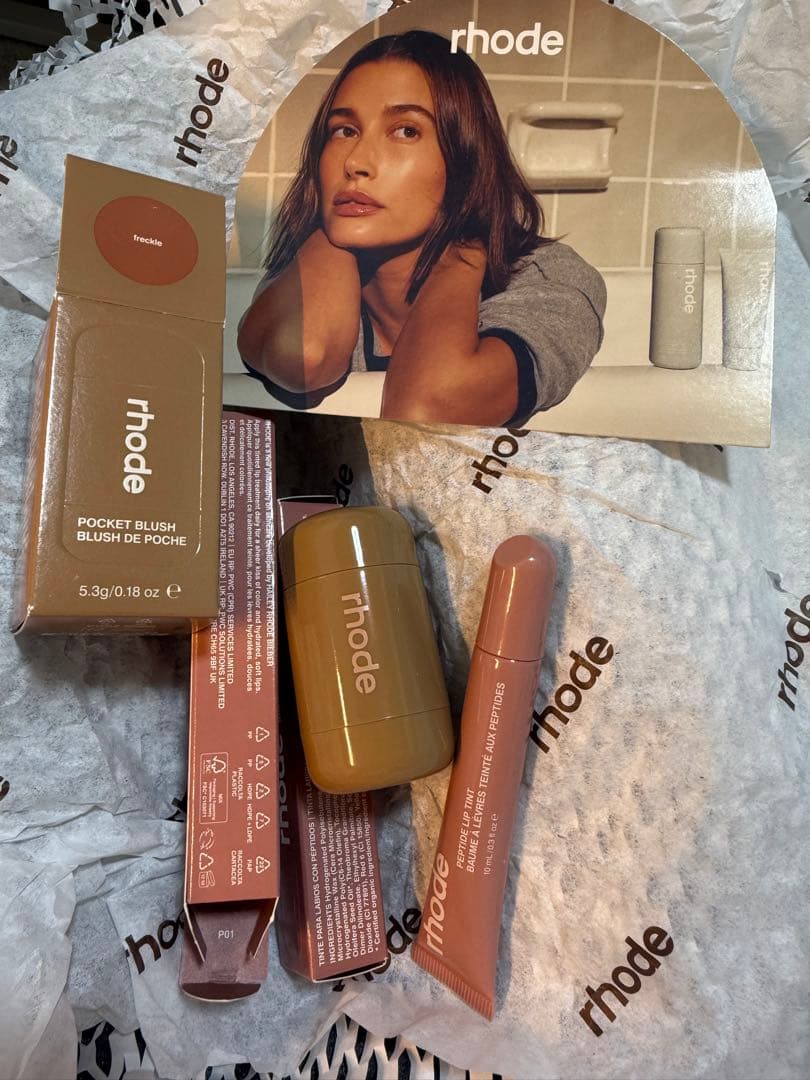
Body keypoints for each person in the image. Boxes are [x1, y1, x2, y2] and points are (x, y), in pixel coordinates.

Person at [238, 30, 606, 427]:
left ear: (464, 160)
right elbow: (306, 356)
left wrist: (465, 246)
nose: (355, 162)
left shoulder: (546, 279)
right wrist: (331, 230)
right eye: (344, 130)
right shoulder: (309, 278)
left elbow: (426, 411)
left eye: (406, 131)